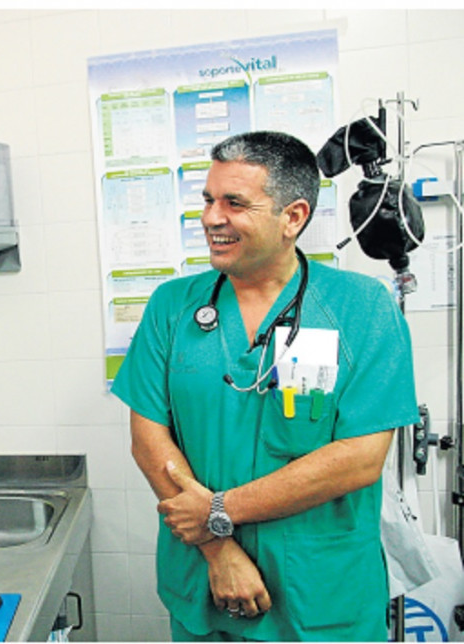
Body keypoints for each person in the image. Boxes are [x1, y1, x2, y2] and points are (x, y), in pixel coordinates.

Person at [111, 130, 420, 641]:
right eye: (209, 200)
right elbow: (148, 437)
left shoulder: (363, 309)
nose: (211, 218)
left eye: (234, 203)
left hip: (320, 597)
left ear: (292, 217)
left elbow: (362, 457)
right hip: (205, 591)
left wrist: (218, 513)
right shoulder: (173, 307)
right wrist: (218, 548)